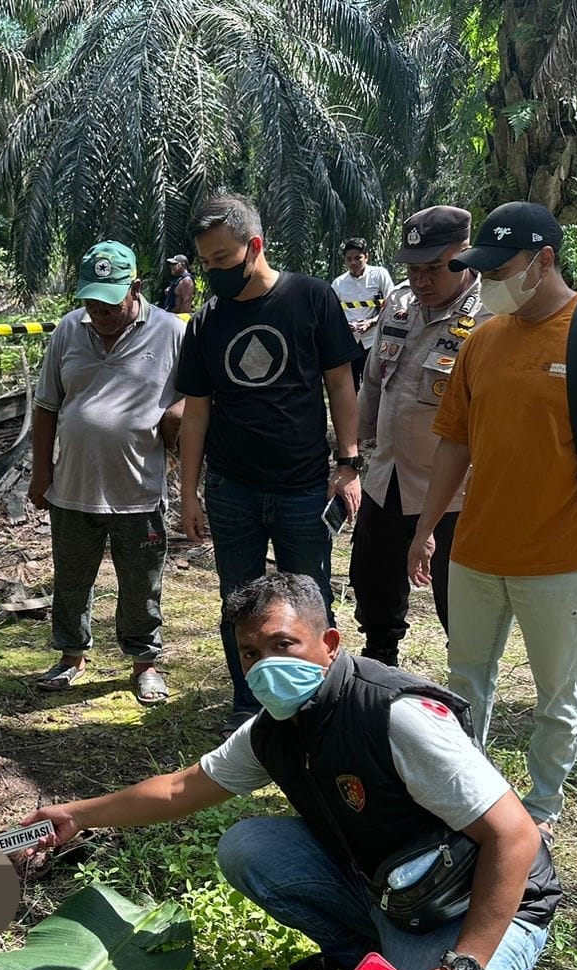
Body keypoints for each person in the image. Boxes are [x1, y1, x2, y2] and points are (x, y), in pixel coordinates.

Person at [19, 572, 577, 970]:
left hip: (474, 905)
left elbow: (514, 838)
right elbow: (181, 789)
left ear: (328, 643)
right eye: (250, 654)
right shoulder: (275, 729)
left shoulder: (395, 715)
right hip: (392, 891)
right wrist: (78, 814)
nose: (265, 666)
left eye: (283, 644)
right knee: (249, 847)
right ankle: (367, 967)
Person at [405, 201, 577, 829]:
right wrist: (425, 529)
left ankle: (542, 806)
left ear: (545, 259)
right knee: (465, 680)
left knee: (557, 693)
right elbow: (455, 442)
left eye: (501, 267)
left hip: (561, 553)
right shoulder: (484, 341)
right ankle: (470, 795)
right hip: (475, 548)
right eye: (483, 268)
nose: (488, 280)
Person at [174, 192, 365, 730]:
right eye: (205, 262)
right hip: (232, 488)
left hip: (304, 487)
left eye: (221, 259)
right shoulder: (206, 321)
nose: (211, 272)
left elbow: (340, 385)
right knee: (238, 602)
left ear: (254, 246)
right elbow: (195, 415)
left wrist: (347, 464)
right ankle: (249, 703)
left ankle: (313, 702)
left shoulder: (310, 298)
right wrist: (189, 492)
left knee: (309, 599)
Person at [27, 242, 185, 704]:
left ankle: (144, 662)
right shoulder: (68, 330)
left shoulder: (170, 331)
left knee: (141, 582)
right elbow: (46, 407)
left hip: (139, 487)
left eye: (109, 303)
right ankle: (71, 655)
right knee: (72, 577)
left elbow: (193, 399)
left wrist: (176, 423)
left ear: (135, 288)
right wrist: (41, 474)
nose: (98, 311)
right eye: (90, 301)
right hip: (73, 484)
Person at [351, 205, 492, 666]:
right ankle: (379, 665)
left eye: (434, 268)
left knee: (461, 599)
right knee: (373, 584)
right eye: (413, 268)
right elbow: (373, 381)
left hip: (454, 490)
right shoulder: (399, 302)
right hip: (387, 476)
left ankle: (468, 680)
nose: (422, 280)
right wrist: (353, 455)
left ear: (464, 256)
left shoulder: (491, 316)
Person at [330, 237, 396, 392]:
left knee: (374, 382)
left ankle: (373, 415)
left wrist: (372, 322)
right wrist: (346, 326)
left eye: (358, 258)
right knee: (350, 384)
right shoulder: (338, 283)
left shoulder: (379, 275)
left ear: (366, 256)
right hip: (349, 340)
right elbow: (332, 313)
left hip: (373, 339)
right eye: (349, 259)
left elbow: (392, 303)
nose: (353, 263)